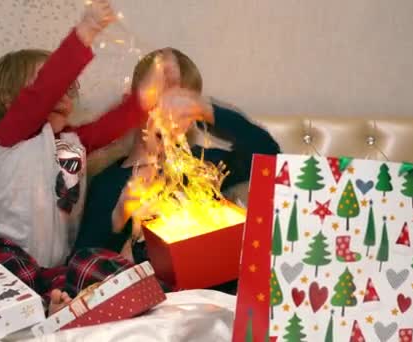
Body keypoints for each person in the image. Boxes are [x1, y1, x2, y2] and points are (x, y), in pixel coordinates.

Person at [0, 0, 162, 314]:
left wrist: (143, 100)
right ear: (10, 100)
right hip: (8, 252)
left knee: (92, 263)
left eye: (68, 88)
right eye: (51, 86)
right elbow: (44, 91)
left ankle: (62, 302)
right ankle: (42, 307)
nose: (62, 94)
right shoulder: (12, 135)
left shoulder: (72, 142)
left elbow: (106, 128)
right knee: (6, 277)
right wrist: (86, 31)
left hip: (55, 264)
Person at [75, 48, 281, 293]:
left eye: (181, 107)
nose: (168, 115)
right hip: (151, 301)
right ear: (130, 104)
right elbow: (83, 266)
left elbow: (268, 153)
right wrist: (118, 218)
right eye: (158, 101)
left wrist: (209, 111)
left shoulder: (204, 165)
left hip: (212, 296)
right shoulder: (108, 183)